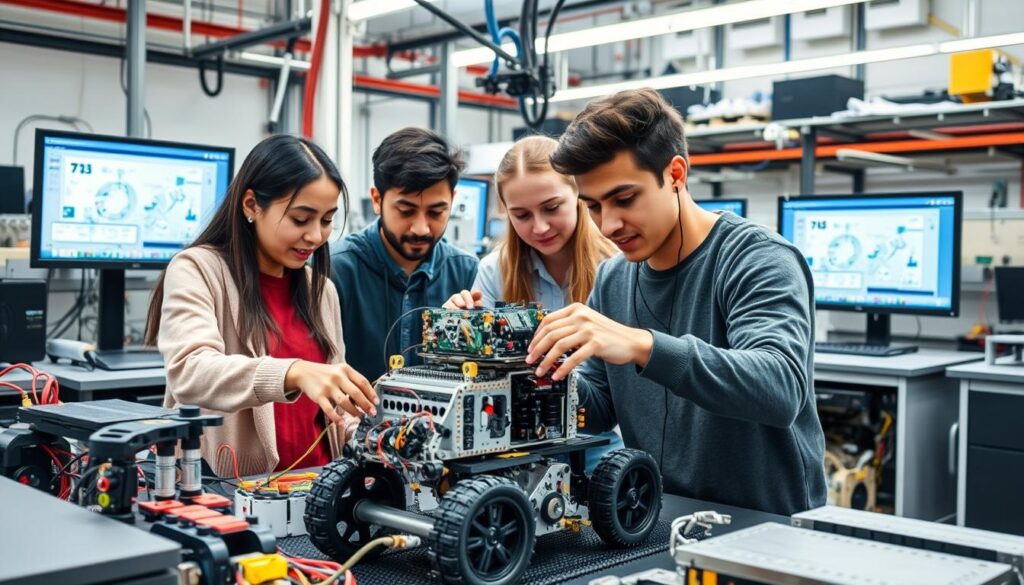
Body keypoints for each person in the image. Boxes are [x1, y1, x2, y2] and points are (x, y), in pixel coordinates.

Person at [526, 89, 826, 515]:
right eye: (592, 207)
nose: (608, 224)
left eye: (625, 199)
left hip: (766, 526)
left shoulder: (758, 258)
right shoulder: (614, 279)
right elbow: (595, 412)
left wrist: (642, 346)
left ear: (676, 174)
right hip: (658, 518)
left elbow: (779, 388)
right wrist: (530, 370)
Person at [147, 134, 377, 478]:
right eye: (301, 219)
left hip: (318, 494)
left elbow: (333, 407)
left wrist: (372, 439)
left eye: (327, 220)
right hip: (231, 490)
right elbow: (190, 372)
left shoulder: (321, 290)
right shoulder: (197, 269)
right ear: (252, 205)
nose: (316, 235)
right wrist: (293, 371)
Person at [443, 135, 624, 472]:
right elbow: (477, 379)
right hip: (518, 444)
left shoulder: (617, 267)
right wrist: (460, 331)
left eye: (552, 208)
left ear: (579, 196)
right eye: (521, 215)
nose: (539, 227)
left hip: (601, 442)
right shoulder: (495, 270)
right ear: (505, 211)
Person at [330, 127, 478, 383]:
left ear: (452, 201)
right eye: (406, 210)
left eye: (435, 212)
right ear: (377, 200)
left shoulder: (467, 273)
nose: (420, 228)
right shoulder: (334, 271)